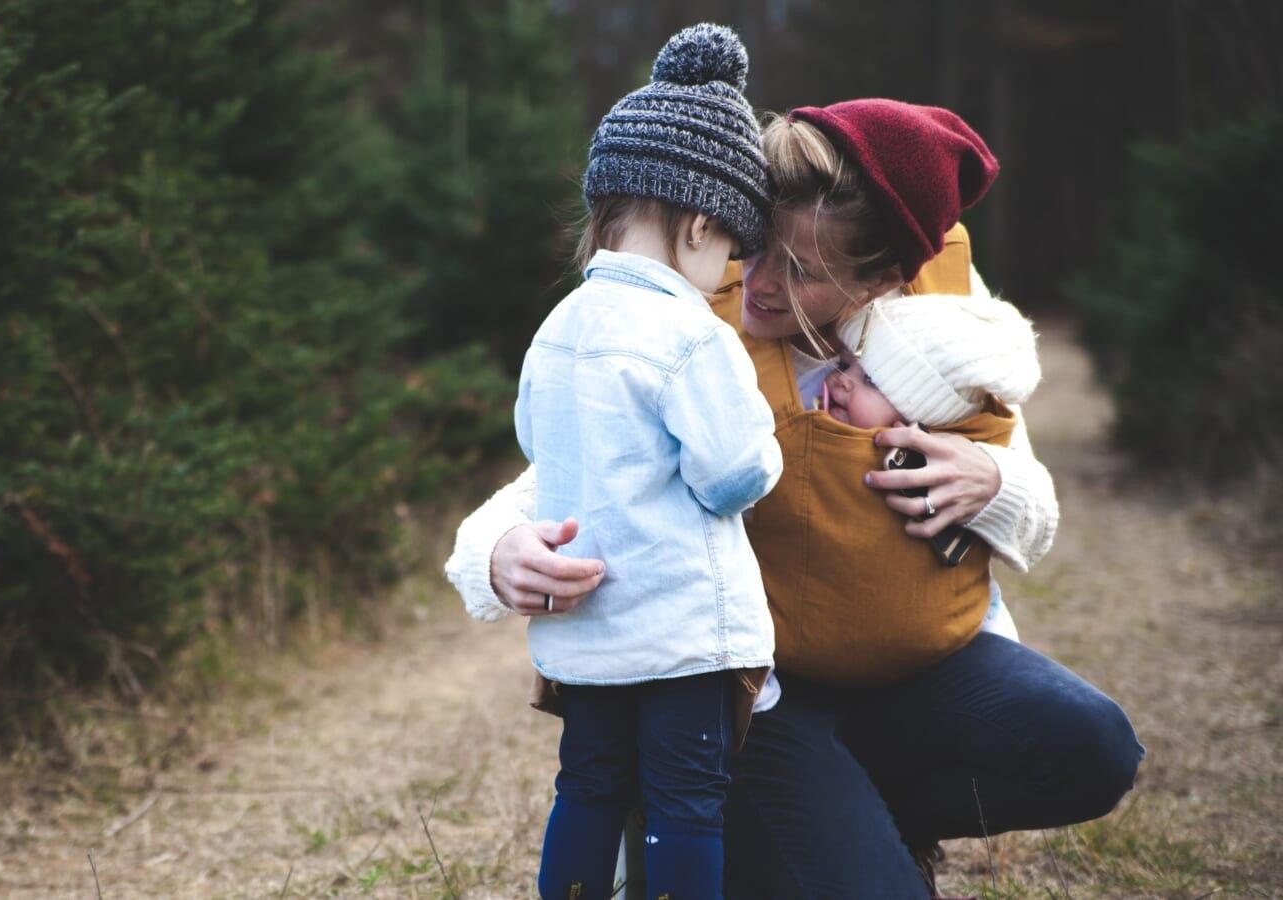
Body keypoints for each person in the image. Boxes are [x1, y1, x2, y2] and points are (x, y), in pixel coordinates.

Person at [446, 98, 1144, 898]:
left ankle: (860, 817)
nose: (762, 285)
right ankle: (786, 822)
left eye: (804, 272)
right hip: (760, 697)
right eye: (758, 249)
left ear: (881, 279)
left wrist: (995, 485)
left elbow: (1036, 509)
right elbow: (566, 463)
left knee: (1096, 747)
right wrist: (494, 554)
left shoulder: (943, 325)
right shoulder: (691, 314)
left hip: (917, 674)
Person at [517, 24, 782, 899]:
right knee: (685, 803)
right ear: (701, 224)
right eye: (728, 255)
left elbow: (534, 444)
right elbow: (733, 472)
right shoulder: (688, 332)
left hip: (586, 632)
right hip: (681, 635)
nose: (725, 278)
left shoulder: (556, 329)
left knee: (588, 787)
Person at [751, 291, 1041, 686]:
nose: (839, 382)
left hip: (945, 650)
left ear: (919, 417)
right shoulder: (794, 406)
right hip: (802, 658)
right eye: (845, 365)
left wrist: (997, 482)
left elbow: (1034, 532)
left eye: (869, 379)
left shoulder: (945, 450)